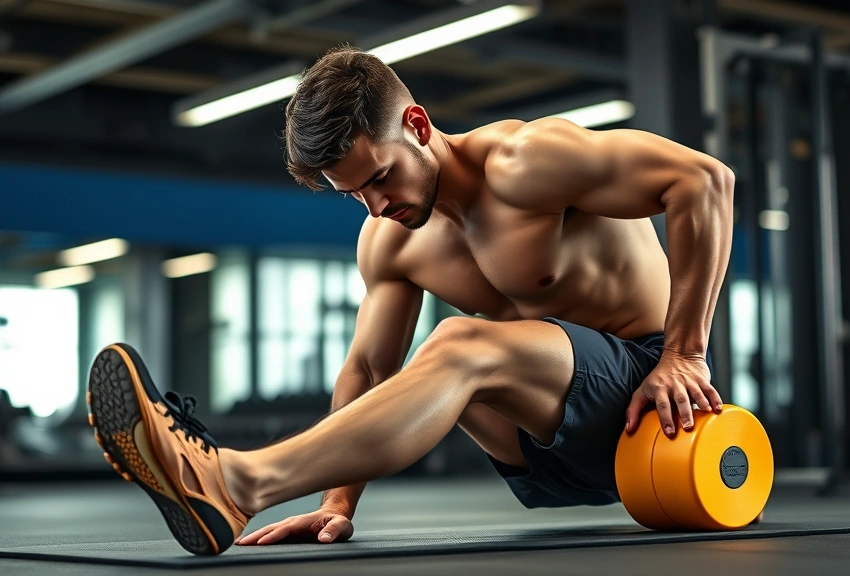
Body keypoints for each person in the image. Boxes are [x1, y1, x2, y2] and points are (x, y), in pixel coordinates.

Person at [87, 46, 735, 556]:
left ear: (418, 125)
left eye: (380, 178)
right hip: (544, 461)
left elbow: (704, 181)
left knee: (456, 340)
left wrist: (685, 354)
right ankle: (246, 484)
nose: (377, 207)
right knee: (438, 354)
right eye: (354, 195)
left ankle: (238, 482)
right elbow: (369, 370)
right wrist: (338, 502)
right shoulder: (390, 242)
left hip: (651, 405)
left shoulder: (525, 162)